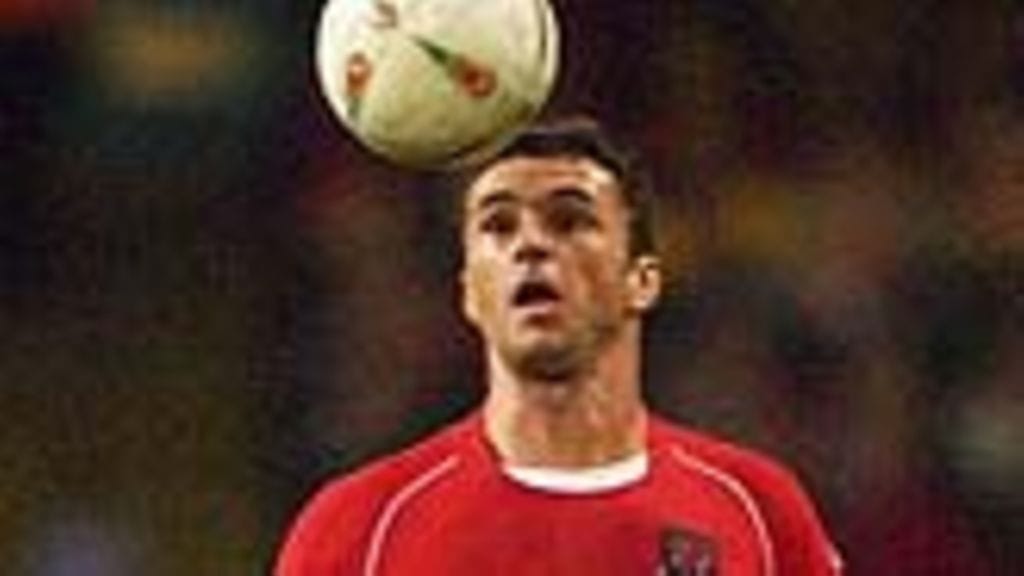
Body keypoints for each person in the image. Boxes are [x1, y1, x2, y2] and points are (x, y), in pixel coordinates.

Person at [275, 118, 843, 575]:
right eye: (499, 226)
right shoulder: (360, 527)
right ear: (470, 292)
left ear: (641, 280)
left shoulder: (758, 510)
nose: (531, 245)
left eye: (569, 220)